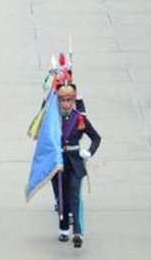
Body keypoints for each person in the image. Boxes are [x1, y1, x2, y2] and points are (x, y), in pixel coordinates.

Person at [52, 83, 100, 248]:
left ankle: (78, 232)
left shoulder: (79, 117)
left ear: (73, 100)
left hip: (74, 162)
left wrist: (89, 151)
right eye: (62, 100)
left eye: (69, 100)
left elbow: (96, 137)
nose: (65, 103)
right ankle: (64, 228)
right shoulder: (52, 118)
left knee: (74, 195)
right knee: (62, 198)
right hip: (57, 162)